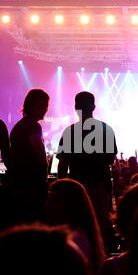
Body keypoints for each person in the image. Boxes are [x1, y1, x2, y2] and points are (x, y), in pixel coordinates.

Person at [57, 91, 117, 251]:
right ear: (94, 107)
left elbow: (62, 164)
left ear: (76, 108)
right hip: (99, 185)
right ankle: (103, 260)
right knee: (102, 224)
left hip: (77, 186)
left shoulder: (70, 132)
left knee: (76, 225)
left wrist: (60, 189)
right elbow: (111, 160)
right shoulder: (106, 130)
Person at [46, 179, 105, 273]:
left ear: (64, 203)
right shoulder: (83, 235)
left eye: (52, 198)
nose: (46, 203)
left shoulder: (69, 242)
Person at [8, 89, 50, 222]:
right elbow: (39, 155)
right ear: (31, 105)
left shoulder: (20, 125)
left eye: (46, 106)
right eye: (42, 105)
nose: (45, 110)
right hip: (31, 187)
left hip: (19, 184)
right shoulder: (33, 126)